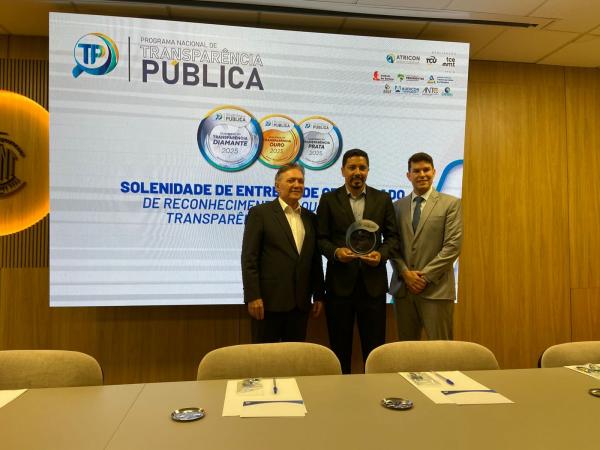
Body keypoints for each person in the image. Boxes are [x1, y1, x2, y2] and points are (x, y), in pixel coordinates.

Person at [317, 149, 399, 374]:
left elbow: (393, 238)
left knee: (374, 351)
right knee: (339, 349)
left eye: (362, 168)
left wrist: (381, 255)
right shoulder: (328, 200)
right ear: (342, 170)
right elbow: (320, 239)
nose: (357, 172)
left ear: (368, 171)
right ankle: (340, 392)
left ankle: (374, 391)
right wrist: (336, 252)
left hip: (373, 287)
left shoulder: (382, 199)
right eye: (352, 167)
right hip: (339, 288)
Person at [241, 163, 324, 343]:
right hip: (267, 303)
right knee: (264, 357)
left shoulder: (311, 218)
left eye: (300, 181)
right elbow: (249, 259)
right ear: (277, 186)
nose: (297, 185)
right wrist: (253, 296)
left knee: (295, 357)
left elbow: (314, 259)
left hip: (300, 305)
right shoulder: (260, 214)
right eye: (291, 180)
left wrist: (319, 294)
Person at [390, 152, 463, 340]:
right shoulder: (396, 207)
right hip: (404, 290)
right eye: (416, 171)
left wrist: (425, 277)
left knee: (441, 351)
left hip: (437, 291)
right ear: (409, 175)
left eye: (426, 170)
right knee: (406, 350)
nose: (422, 174)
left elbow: (452, 246)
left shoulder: (451, 204)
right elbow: (392, 245)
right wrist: (405, 274)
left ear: (434, 172)